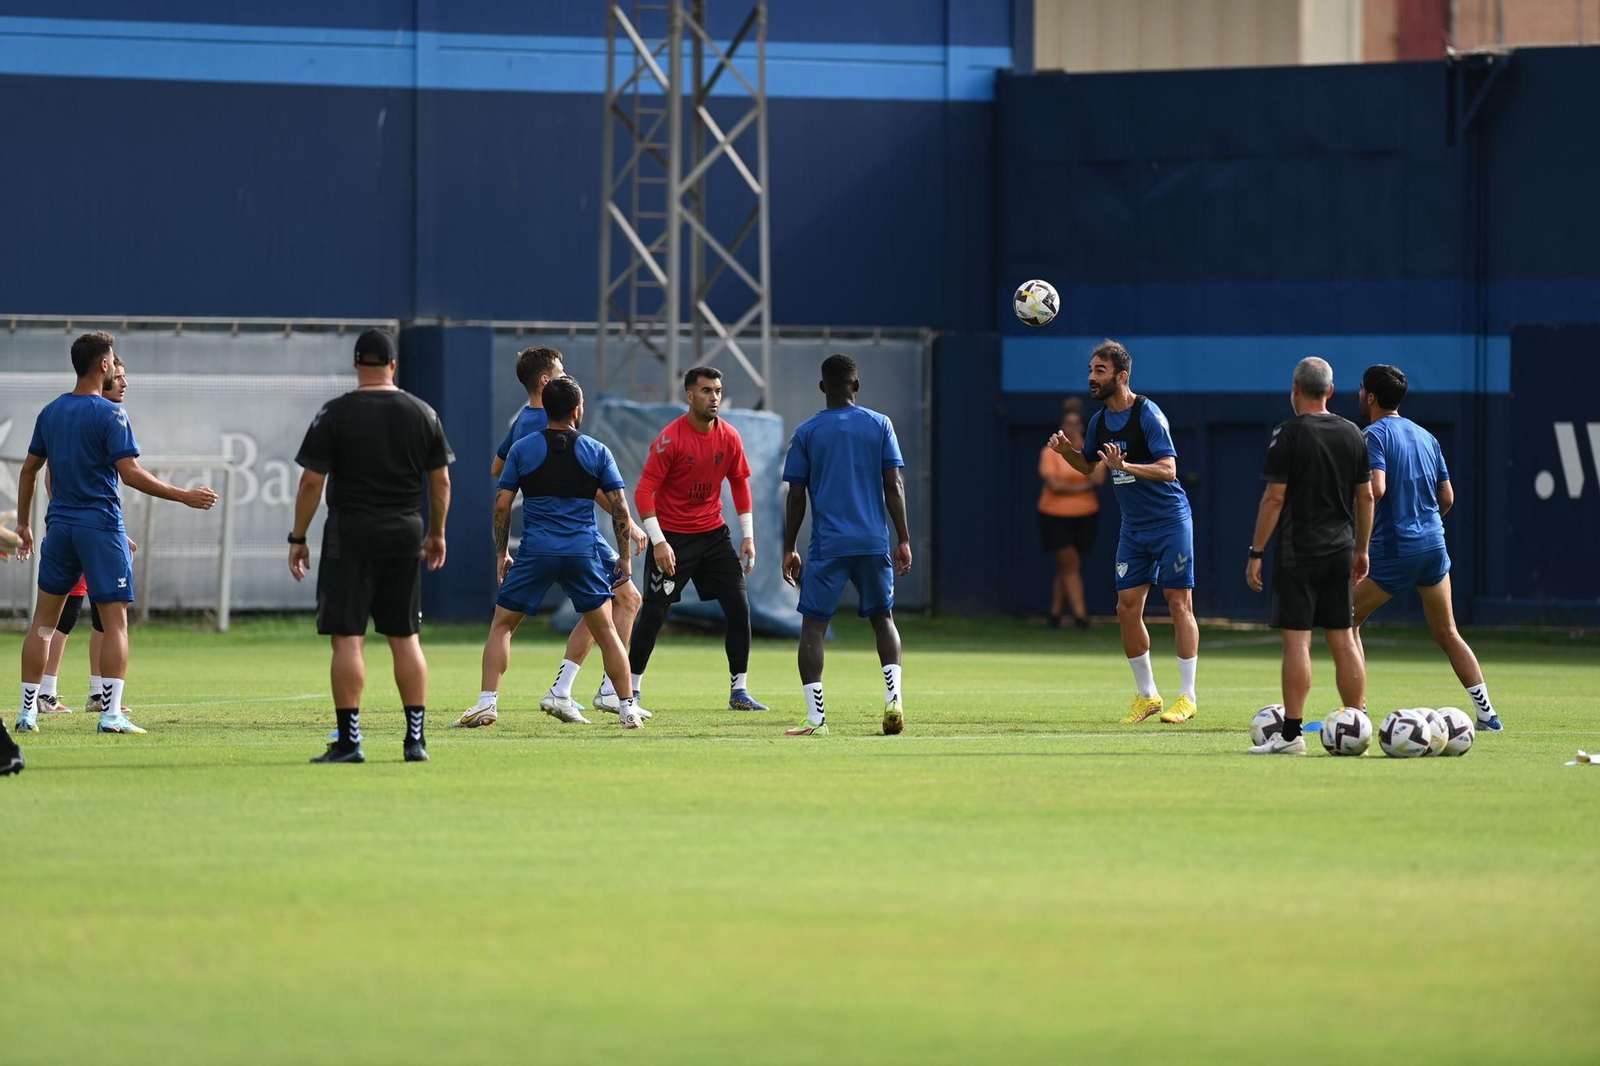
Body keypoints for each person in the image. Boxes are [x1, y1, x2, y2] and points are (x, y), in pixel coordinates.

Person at [13, 331, 218, 740]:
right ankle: (109, 715)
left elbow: (30, 471)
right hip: (101, 526)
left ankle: (26, 713)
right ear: (104, 365)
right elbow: (131, 473)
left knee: (43, 624)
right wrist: (182, 495)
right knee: (114, 623)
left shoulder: (51, 412)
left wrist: (23, 524)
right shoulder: (110, 414)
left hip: (60, 528)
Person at [454, 347, 647, 727]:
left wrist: (500, 552)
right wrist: (628, 537)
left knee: (504, 623)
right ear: (573, 406)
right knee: (614, 615)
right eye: (561, 371)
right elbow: (601, 492)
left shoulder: (525, 435)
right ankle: (619, 700)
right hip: (580, 541)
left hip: (538, 545)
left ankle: (492, 699)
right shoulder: (590, 447)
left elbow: (500, 484)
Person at [289, 329, 453, 764]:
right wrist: (436, 532)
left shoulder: (335, 413)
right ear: (393, 365)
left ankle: (349, 741)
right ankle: (415, 741)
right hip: (404, 533)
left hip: (351, 535)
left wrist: (298, 537)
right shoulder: (423, 413)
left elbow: (311, 482)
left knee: (348, 639)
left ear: (357, 365)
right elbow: (441, 481)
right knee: (405, 637)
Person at [1048, 340, 1199, 724]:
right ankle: (1148, 696)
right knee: (1126, 608)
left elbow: (1169, 469)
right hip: (1134, 528)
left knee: (1179, 604)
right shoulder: (1098, 422)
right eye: (1090, 370)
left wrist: (1127, 467)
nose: (1091, 378)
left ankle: (1188, 697)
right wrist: (1067, 452)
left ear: (1122, 376)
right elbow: (1087, 466)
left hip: (1170, 521)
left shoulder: (1147, 414)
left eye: (1100, 371)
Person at [1354, 364, 1502, 731]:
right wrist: (1426, 523)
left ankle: (1356, 715)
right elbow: (1447, 496)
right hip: (1434, 547)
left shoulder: (1372, 435)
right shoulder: (1426, 437)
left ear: (1371, 396)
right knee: (1447, 632)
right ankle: (1488, 714)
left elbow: (1377, 489)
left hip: (1395, 549)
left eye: (1361, 390)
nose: (1359, 395)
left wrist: (1362, 539)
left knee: (1344, 621)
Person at [1245, 357, 1374, 755]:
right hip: (1340, 550)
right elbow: (1366, 495)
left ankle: (1291, 737)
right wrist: (1362, 548)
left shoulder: (1287, 434)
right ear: (1331, 391)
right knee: (1343, 638)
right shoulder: (1354, 433)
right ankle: (1356, 727)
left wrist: (1256, 551)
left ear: (1296, 388)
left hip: (1297, 552)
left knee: (1298, 643)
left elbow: (1274, 497)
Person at [780, 354, 912, 736]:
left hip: (829, 546)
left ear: (823, 387)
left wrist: (789, 546)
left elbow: (796, 496)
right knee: (883, 620)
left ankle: (817, 719)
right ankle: (894, 700)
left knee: (813, 630)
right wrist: (902, 538)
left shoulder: (806, 432)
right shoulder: (880, 424)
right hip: (873, 542)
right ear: (856, 385)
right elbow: (894, 486)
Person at [628, 366, 767, 711]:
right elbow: (644, 492)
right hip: (673, 537)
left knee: (739, 607)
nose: (714, 397)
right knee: (654, 614)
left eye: (718, 390)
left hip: (713, 535)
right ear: (689, 396)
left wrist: (747, 536)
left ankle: (739, 691)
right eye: (706, 391)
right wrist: (659, 541)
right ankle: (629, 691)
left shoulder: (730, 437)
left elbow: (739, 483)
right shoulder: (671, 439)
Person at [39, 355, 135, 718]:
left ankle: (99, 693)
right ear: (103, 371)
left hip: (93, 528)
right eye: (119, 374)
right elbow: (52, 475)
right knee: (68, 612)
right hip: (85, 530)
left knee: (102, 613)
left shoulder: (104, 418)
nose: (124, 382)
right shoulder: (91, 415)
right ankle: (47, 691)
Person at [1037, 397, 1105, 629]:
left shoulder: (1090, 448)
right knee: (1069, 561)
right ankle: (1081, 616)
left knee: (1067, 566)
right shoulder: (1050, 452)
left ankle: (1055, 614)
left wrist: (1080, 483)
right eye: (1068, 423)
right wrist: (1082, 486)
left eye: (1077, 424)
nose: (1072, 428)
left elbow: (1098, 478)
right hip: (1055, 514)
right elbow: (1054, 485)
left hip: (1085, 513)